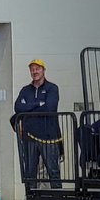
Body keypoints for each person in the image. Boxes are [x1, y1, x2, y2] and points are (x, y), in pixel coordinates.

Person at [15, 58, 62, 189]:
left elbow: (50, 108)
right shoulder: (25, 90)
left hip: (48, 137)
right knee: (30, 172)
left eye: (37, 69)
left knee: (53, 171)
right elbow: (18, 107)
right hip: (29, 138)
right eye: (32, 69)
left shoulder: (52, 88)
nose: (35, 72)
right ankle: (31, 198)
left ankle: (58, 198)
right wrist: (38, 104)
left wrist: (28, 109)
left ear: (43, 70)